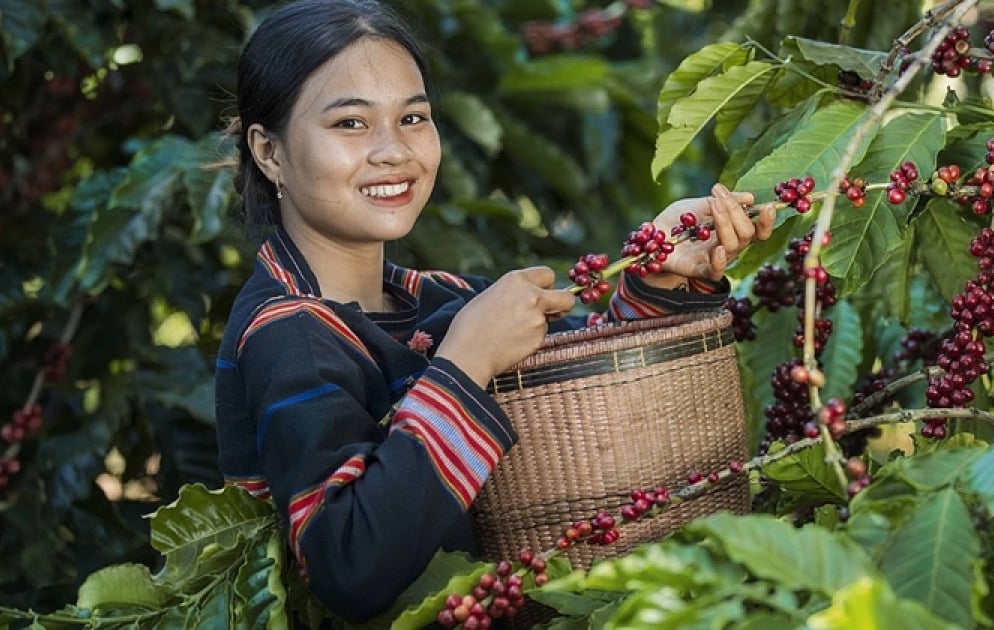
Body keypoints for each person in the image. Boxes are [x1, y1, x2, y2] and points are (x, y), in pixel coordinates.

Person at [213, 0, 776, 623]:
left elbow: (584, 411)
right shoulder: (289, 333)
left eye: (413, 118)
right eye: (350, 124)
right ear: (269, 152)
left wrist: (663, 275)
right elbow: (348, 566)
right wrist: (466, 360)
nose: (393, 151)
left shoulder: (440, 298)